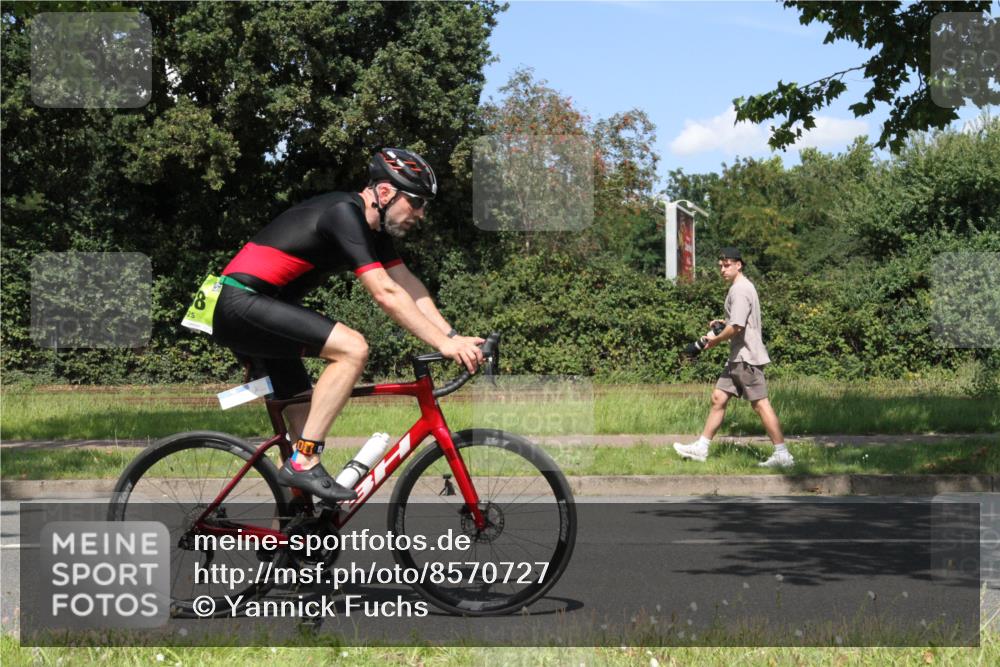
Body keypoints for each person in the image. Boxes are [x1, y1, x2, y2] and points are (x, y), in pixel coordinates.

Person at [210, 148, 484, 501]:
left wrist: (452, 336)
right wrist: (443, 345)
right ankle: (305, 461)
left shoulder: (375, 232)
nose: (421, 214)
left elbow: (407, 285)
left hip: (261, 311)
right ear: (385, 192)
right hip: (239, 302)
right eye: (416, 202)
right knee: (352, 348)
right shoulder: (344, 213)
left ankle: (295, 523)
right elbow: (385, 292)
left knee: (303, 422)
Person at [673, 247, 793, 468]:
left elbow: (737, 326)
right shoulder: (742, 287)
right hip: (737, 357)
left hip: (746, 358)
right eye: (720, 265)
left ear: (739, 265)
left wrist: (715, 340)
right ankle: (702, 448)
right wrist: (722, 324)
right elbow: (738, 321)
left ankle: (782, 454)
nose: (722, 269)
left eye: (727, 265)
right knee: (718, 398)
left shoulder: (740, 290)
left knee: (760, 404)